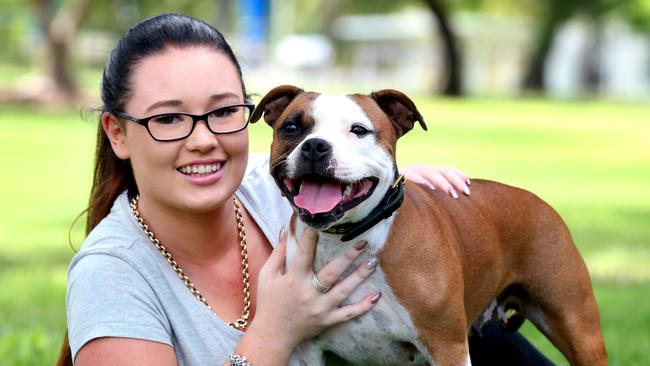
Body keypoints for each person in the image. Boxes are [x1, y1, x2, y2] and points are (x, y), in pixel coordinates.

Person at [58, 13, 552, 366]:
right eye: (169, 118)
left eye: (224, 111)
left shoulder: (286, 185)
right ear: (118, 132)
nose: (203, 139)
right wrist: (275, 332)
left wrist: (396, 180)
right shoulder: (112, 274)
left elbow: (346, 153)